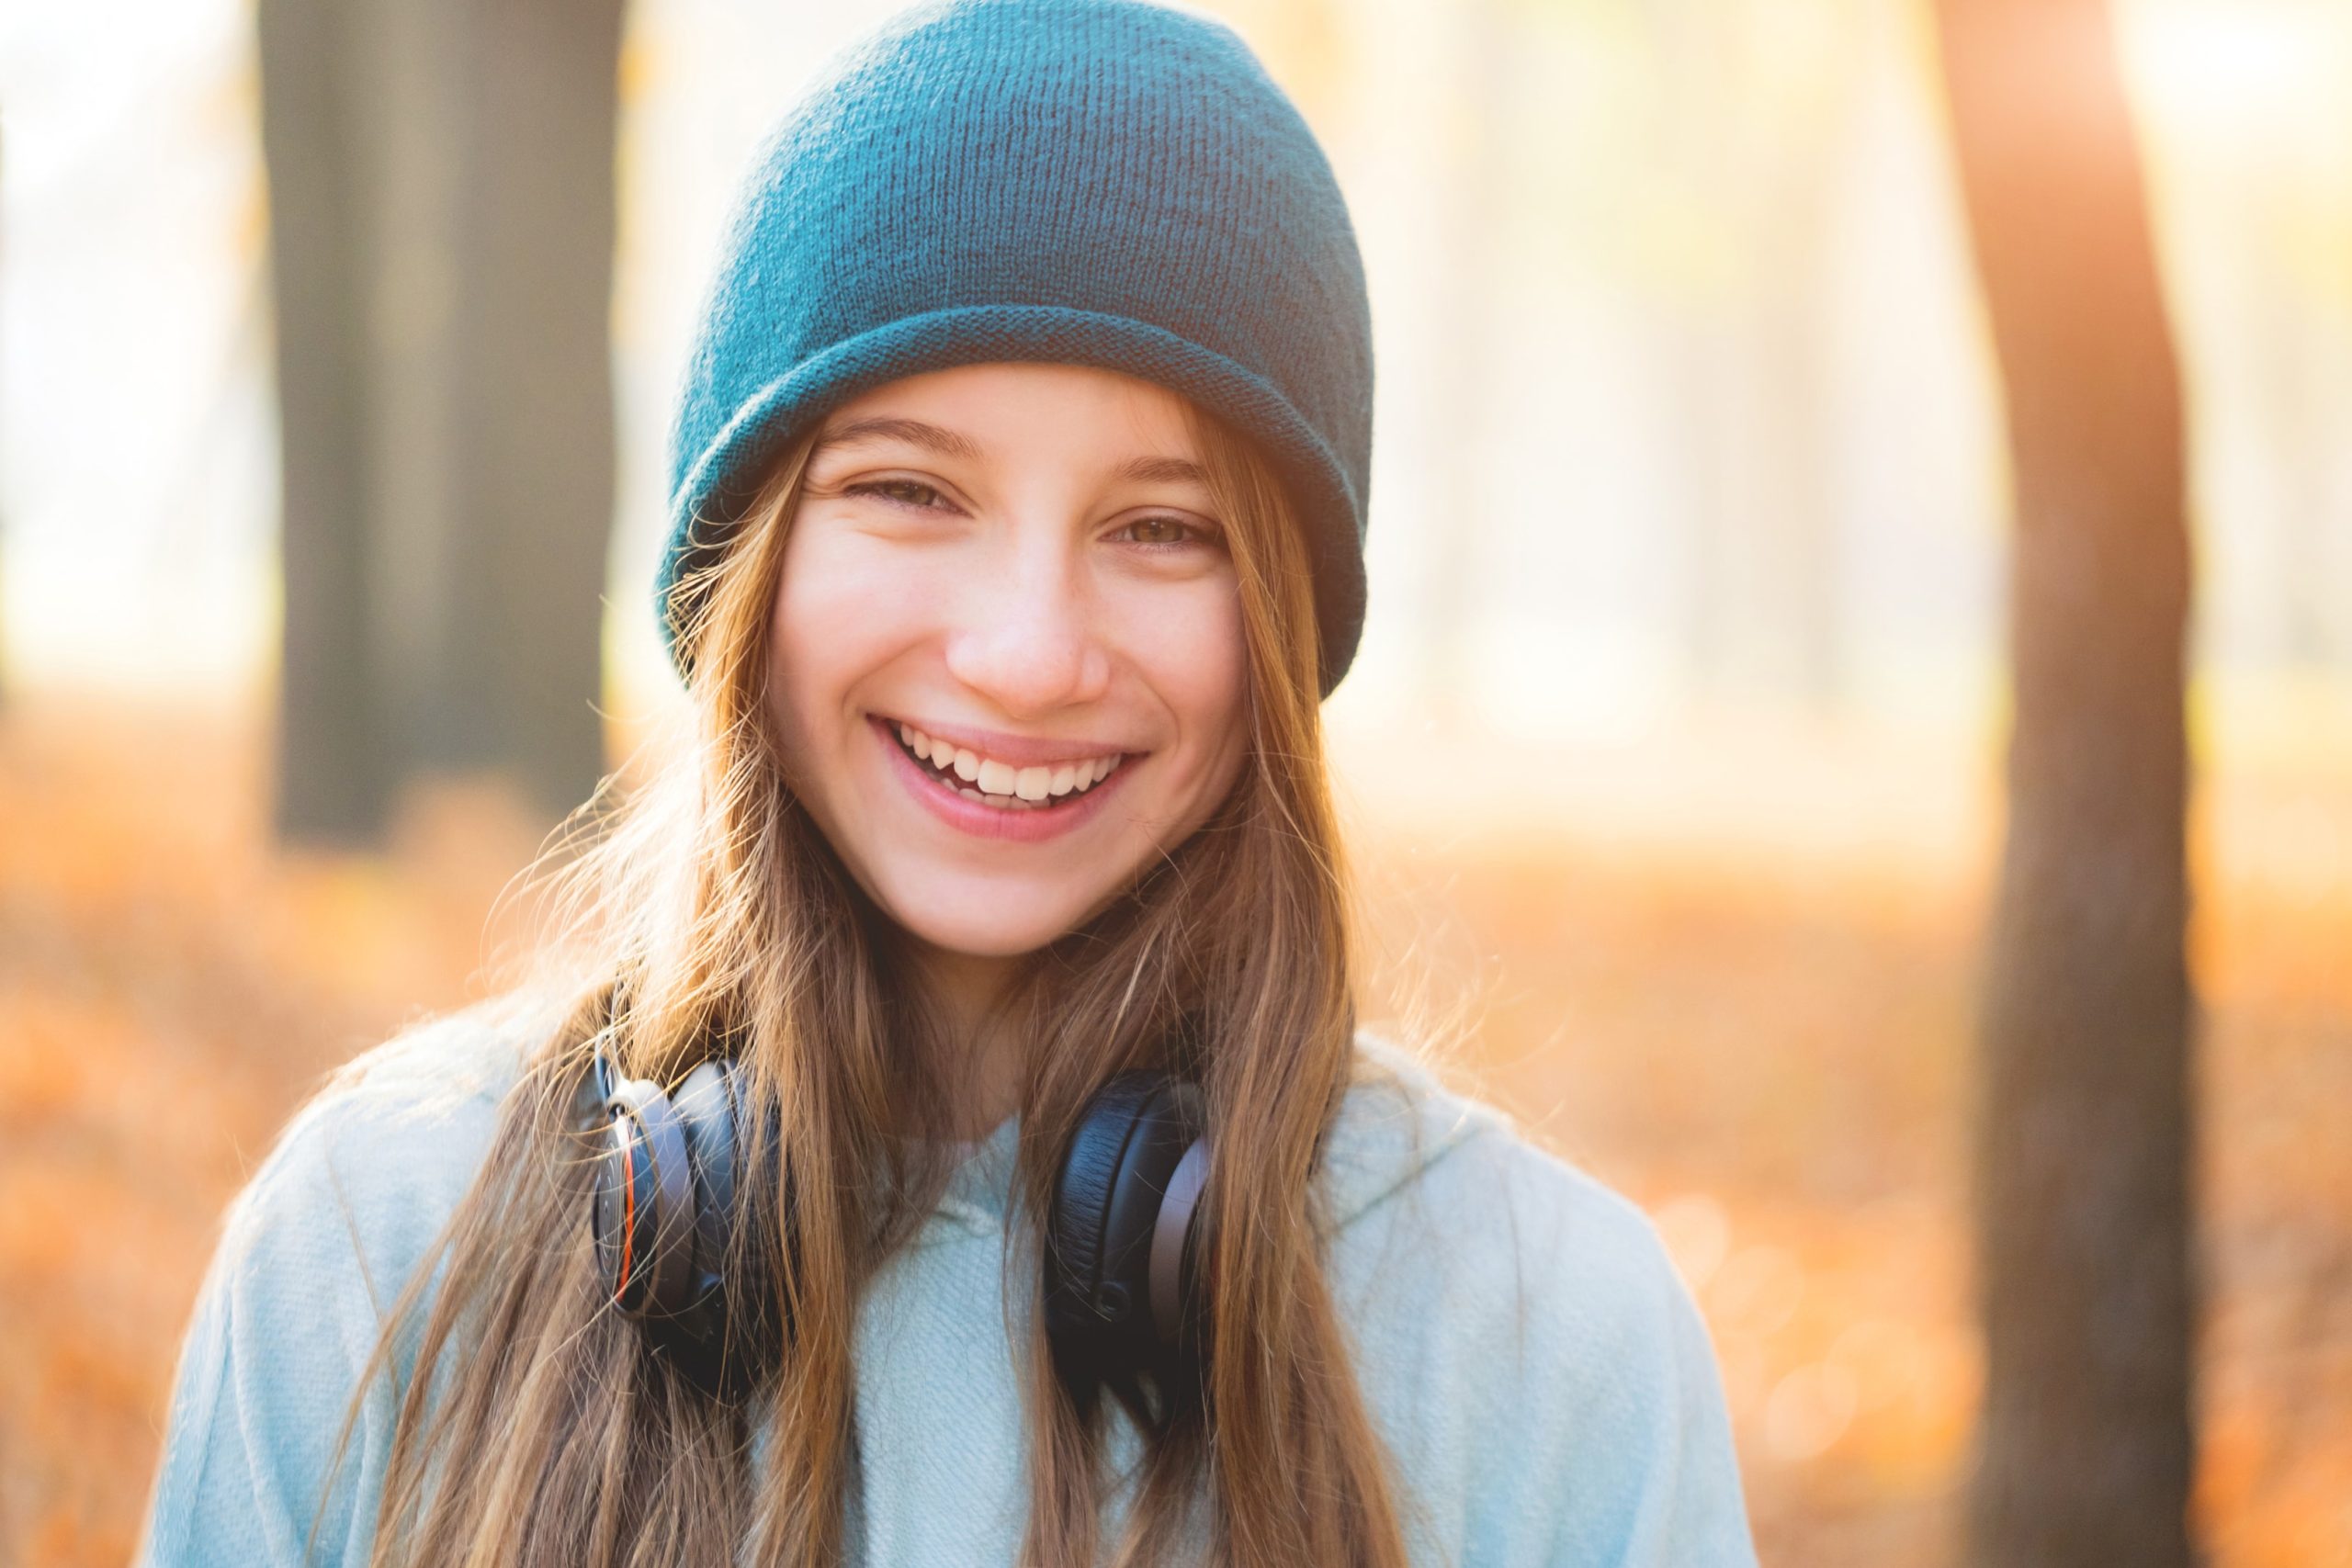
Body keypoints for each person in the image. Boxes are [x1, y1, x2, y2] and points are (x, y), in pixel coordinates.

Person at [136, 2, 1758, 1564]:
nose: (1029, 653)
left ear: (1280, 626)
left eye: (1162, 529)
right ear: (746, 577)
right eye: (911, 491)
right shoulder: (369, 1250)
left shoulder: (1556, 1341)